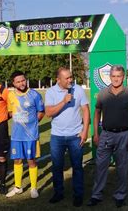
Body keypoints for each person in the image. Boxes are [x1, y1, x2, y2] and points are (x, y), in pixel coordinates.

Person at [87, 65, 128, 208]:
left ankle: (120, 195)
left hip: (124, 134)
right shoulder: (103, 94)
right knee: (100, 166)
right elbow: (97, 112)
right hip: (106, 134)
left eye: (119, 76)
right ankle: (96, 195)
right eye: (113, 76)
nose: (116, 79)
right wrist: (96, 134)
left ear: (123, 77)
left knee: (122, 167)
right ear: (109, 77)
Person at [45, 67, 90, 207]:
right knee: (57, 166)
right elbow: (48, 113)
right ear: (58, 79)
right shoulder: (51, 92)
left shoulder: (78, 89)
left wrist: (85, 131)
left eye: (71, 77)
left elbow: (86, 110)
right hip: (57, 136)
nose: (70, 80)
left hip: (75, 135)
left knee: (77, 166)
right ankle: (58, 193)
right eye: (67, 78)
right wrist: (64, 101)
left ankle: (78, 195)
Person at [6, 71, 45, 199]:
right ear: (13, 83)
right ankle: (18, 186)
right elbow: (11, 113)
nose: (21, 83)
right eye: (18, 81)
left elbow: (41, 112)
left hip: (30, 135)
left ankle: (34, 187)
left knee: (31, 160)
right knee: (17, 160)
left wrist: (32, 124)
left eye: (23, 80)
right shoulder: (10, 95)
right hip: (17, 135)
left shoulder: (34, 94)